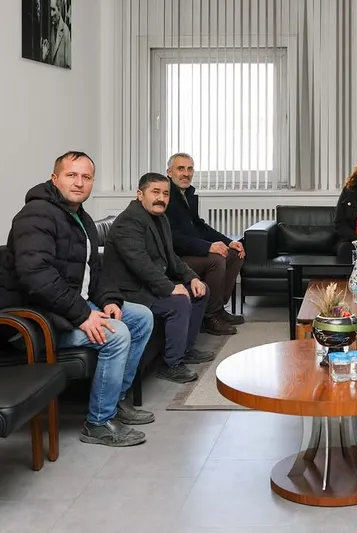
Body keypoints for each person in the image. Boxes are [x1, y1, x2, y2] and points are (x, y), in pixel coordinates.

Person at [0, 151, 154, 447]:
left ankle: (115, 401)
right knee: (117, 335)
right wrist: (84, 315)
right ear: (54, 178)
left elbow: (93, 271)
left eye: (86, 177)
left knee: (141, 317)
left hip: (67, 309)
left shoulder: (80, 217)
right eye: (71, 175)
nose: (79, 182)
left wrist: (109, 300)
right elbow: (36, 277)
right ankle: (98, 423)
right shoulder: (35, 215)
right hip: (38, 321)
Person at [103, 173, 214, 384]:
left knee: (200, 290)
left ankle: (185, 350)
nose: (161, 198)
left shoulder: (160, 218)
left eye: (165, 193)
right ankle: (171, 365)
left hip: (148, 284)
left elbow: (171, 256)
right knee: (178, 302)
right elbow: (140, 264)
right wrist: (170, 288)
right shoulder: (129, 221)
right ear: (140, 194)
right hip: (129, 291)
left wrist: (191, 277)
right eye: (155, 192)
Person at [164, 152, 242, 336]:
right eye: (180, 168)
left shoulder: (188, 194)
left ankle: (218, 308)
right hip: (174, 257)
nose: (186, 173)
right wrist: (208, 247)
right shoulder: (166, 196)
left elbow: (200, 227)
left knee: (234, 255)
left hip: (190, 250)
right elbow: (173, 237)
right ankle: (209, 317)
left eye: (190, 169)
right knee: (216, 259)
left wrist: (229, 242)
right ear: (169, 172)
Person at [47, 0, 70, 68]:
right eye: (50, 9)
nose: (51, 14)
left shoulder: (65, 31)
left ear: (59, 10)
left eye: (53, 10)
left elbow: (68, 65)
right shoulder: (50, 28)